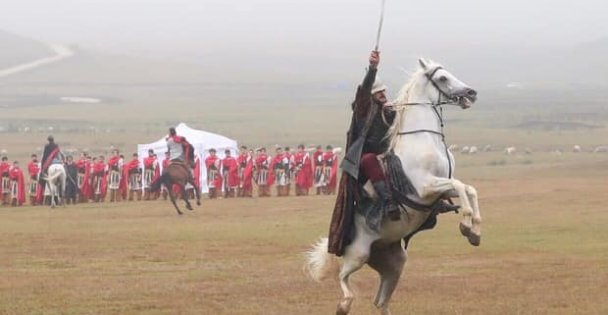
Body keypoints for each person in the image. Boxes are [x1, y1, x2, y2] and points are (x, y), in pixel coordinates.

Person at [37, 135, 63, 204]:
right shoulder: (57, 146)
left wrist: (43, 166)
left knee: (43, 173)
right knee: (64, 169)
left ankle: (42, 180)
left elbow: (45, 155)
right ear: (53, 140)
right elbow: (60, 154)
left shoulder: (47, 146)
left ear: (48, 140)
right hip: (58, 161)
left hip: (49, 162)